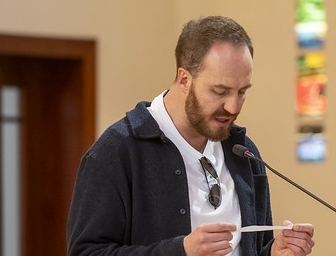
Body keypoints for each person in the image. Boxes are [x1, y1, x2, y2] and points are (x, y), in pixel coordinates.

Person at [67, 15, 315, 256]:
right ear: (184, 78)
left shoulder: (244, 151)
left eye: (242, 92)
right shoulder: (116, 152)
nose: (233, 107)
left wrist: (273, 252)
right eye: (220, 91)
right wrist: (181, 251)